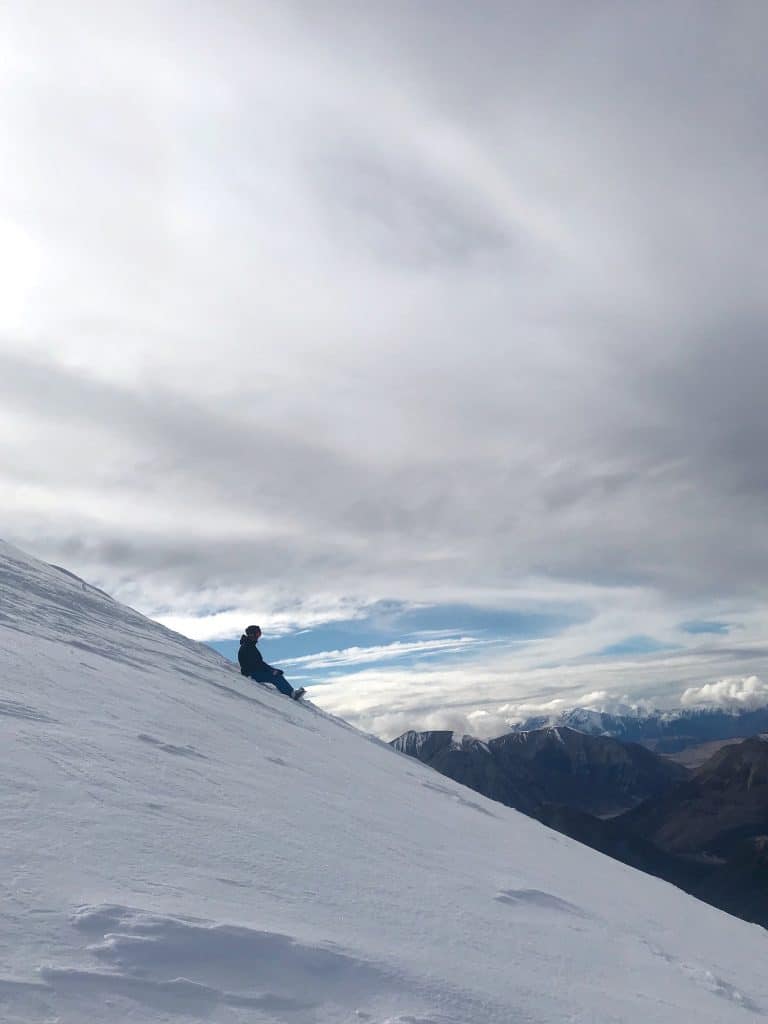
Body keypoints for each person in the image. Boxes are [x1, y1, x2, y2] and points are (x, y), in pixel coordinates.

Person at [238, 625, 305, 700]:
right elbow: (256, 664)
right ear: (251, 634)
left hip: (253, 672)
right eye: (257, 634)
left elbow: (259, 662)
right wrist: (271, 671)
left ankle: (291, 692)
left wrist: (272, 670)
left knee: (276, 674)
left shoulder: (249, 646)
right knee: (275, 676)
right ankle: (291, 694)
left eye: (259, 634)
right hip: (251, 673)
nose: (258, 637)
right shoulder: (247, 647)